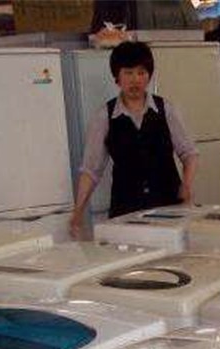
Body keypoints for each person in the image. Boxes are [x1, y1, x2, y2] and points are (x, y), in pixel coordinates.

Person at [69, 41, 198, 237]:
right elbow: (91, 170)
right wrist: (78, 212)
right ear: (117, 77)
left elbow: (189, 153)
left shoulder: (165, 109)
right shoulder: (104, 116)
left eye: (141, 73)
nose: (135, 80)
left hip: (169, 208)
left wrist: (186, 185)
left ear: (149, 76)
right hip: (125, 211)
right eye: (128, 73)